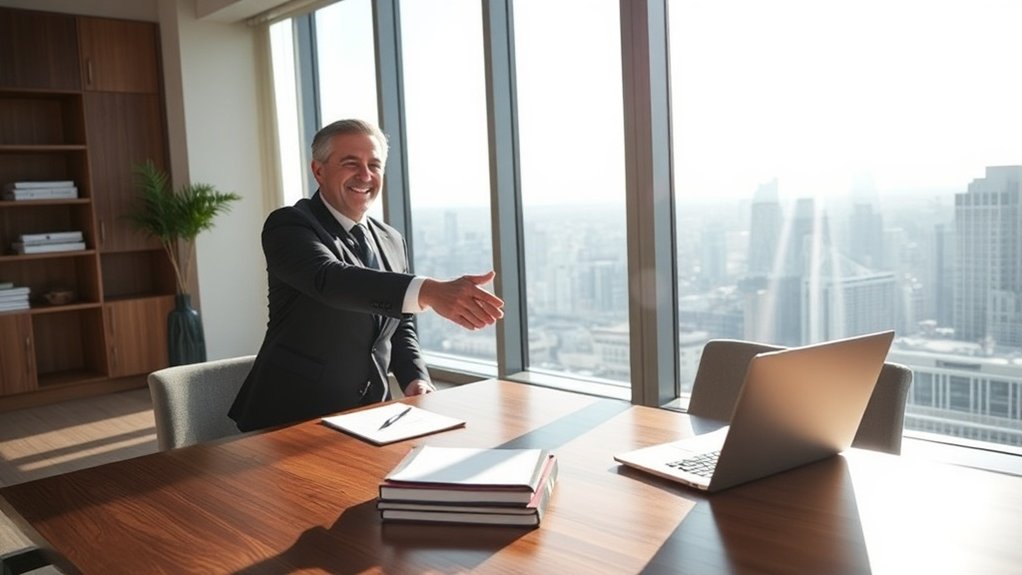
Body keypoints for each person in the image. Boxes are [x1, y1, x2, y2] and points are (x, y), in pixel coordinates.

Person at [229, 119, 504, 432]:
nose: (365, 175)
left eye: (374, 164)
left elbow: (401, 323)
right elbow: (330, 280)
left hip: (372, 417)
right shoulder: (289, 225)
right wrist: (429, 290)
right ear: (318, 170)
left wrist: (415, 378)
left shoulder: (391, 239)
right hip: (289, 420)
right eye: (351, 163)